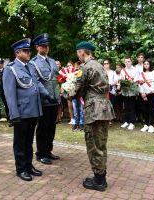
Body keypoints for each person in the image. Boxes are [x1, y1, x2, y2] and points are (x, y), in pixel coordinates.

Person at [62, 41, 114, 191]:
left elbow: (77, 90)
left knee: (93, 145)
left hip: (94, 110)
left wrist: (65, 92)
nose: (77, 55)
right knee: (101, 144)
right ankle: (100, 176)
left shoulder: (86, 67)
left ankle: (99, 181)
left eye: (78, 52)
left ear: (82, 52)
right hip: (104, 107)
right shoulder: (99, 66)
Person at [3, 38, 54, 181]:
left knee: (29, 141)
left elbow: (37, 83)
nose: (28, 53)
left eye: (29, 51)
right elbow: (10, 94)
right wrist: (14, 114)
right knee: (20, 142)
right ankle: (21, 169)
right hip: (21, 112)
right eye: (26, 51)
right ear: (17, 53)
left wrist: (47, 95)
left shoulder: (30, 66)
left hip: (33, 110)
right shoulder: (10, 69)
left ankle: (29, 165)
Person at [30, 33, 60, 165]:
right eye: (43, 46)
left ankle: (48, 151)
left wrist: (58, 94)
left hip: (55, 98)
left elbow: (57, 79)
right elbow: (37, 81)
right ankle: (41, 153)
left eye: (47, 46)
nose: (46, 48)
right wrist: (46, 95)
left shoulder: (53, 61)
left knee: (52, 127)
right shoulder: (33, 63)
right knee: (43, 127)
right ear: (37, 47)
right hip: (44, 100)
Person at [139, 59, 154, 133]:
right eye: (145, 64)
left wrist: (147, 93)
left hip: (151, 94)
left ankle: (151, 125)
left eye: (147, 64)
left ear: (150, 64)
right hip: (143, 95)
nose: (146, 65)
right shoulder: (142, 73)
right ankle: (146, 124)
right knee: (144, 110)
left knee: (151, 110)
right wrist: (142, 93)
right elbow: (140, 84)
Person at [120, 56, 139, 130]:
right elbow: (121, 80)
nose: (127, 63)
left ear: (131, 62)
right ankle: (126, 121)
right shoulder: (122, 70)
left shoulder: (135, 70)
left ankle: (132, 123)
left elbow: (137, 80)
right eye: (126, 62)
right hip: (125, 92)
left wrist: (131, 82)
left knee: (132, 107)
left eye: (128, 61)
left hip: (132, 91)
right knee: (126, 107)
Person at [72, 61, 85, 131]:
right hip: (74, 95)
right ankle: (76, 123)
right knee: (75, 110)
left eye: (78, 66)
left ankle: (82, 124)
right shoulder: (72, 74)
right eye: (76, 66)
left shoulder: (82, 73)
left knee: (81, 110)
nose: (77, 67)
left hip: (80, 95)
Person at [135, 53, 145, 123]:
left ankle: (144, 117)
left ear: (144, 59)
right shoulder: (135, 67)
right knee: (137, 103)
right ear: (137, 58)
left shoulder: (146, 66)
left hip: (145, 86)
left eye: (142, 57)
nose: (140, 59)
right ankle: (138, 117)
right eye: (139, 57)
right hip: (137, 86)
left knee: (144, 103)